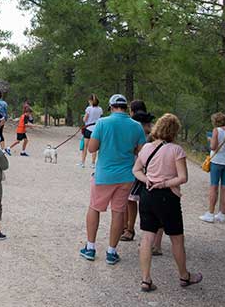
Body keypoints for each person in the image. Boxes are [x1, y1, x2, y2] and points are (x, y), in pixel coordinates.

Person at [132, 113, 202, 292]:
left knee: (147, 237)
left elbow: (136, 170)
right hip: (167, 197)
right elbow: (182, 177)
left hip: (147, 194)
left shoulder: (146, 147)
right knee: (177, 238)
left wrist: (147, 179)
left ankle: (146, 279)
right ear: (174, 131)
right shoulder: (176, 150)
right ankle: (184, 275)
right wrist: (164, 183)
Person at [79, 94, 146, 265]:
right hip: (126, 176)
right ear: (126, 107)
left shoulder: (103, 123)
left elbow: (93, 148)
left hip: (104, 174)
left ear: (111, 107)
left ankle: (91, 247)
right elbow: (141, 151)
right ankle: (111, 251)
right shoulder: (136, 126)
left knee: (94, 208)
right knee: (118, 212)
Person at [122, 100, 156, 244]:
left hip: (138, 171)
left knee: (131, 200)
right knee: (129, 200)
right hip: (137, 169)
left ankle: (129, 229)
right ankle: (127, 228)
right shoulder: (141, 129)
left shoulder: (140, 130)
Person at [200, 112, 225, 223]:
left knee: (214, 187)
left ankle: (210, 213)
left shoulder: (216, 131)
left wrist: (210, 140)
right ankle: (222, 214)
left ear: (216, 122)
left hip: (217, 161)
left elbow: (213, 146)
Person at [79, 94, 103, 168]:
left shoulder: (89, 109)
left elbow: (85, 119)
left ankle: (83, 162)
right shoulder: (100, 109)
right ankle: (93, 163)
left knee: (85, 147)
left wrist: (83, 118)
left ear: (91, 101)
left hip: (88, 129)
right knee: (95, 147)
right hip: (96, 129)